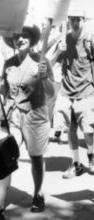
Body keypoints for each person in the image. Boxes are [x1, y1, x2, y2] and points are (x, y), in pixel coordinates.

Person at [0, 24, 54, 216]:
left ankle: (38, 194)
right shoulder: (8, 63)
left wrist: (44, 77)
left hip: (35, 115)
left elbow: (51, 91)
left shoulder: (41, 61)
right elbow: (4, 91)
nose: (19, 39)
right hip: (13, 116)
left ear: (31, 41)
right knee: (6, 156)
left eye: (24, 36)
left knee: (36, 156)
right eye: (16, 37)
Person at [53, 13, 94, 179]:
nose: (75, 23)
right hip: (66, 91)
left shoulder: (89, 40)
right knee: (71, 129)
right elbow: (49, 64)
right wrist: (59, 52)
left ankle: (91, 158)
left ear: (83, 20)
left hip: (85, 92)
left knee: (88, 130)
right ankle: (76, 163)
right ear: (68, 20)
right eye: (72, 20)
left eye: (78, 20)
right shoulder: (63, 40)